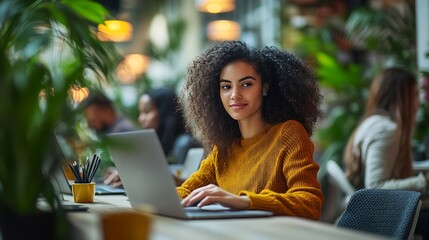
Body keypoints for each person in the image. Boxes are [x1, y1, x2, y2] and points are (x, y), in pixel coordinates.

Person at [176, 41, 324, 220]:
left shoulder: (288, 133)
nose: (235, 95)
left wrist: (245, 201)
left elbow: (310, 203)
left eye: (246, 84)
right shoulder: (225, 146)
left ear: (265, 87)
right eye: (226, 87)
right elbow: (186, 190)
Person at [342, 67, 429, 239]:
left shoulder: (372, 121)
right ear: (402, 98)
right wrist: (423, 181)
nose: (417, 102)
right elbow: (375, 187)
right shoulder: (386, 130)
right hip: (381, 217)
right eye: (413, 95)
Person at [138, 87, 197, 164]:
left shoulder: (183, 144)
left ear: (163, 111)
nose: (141, 118)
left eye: (147, 111)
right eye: (140, 112)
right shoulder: (154, 143)